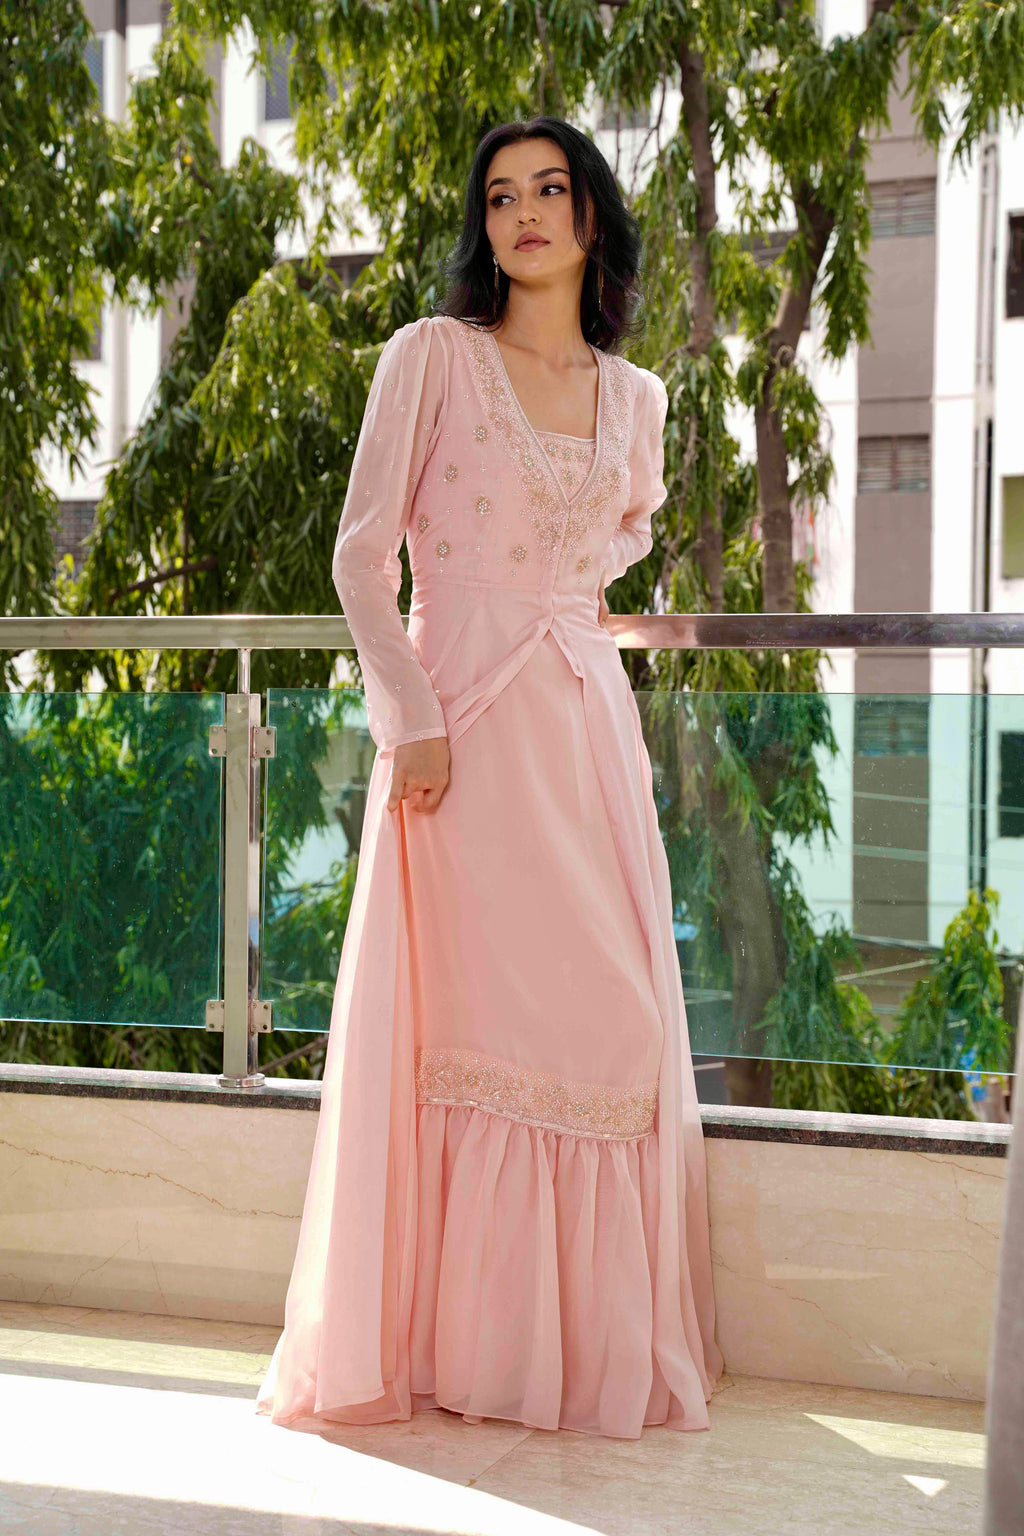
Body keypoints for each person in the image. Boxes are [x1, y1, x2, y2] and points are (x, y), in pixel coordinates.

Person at [256, 115, 724, 1440]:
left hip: (585, 746)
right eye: (501, 195)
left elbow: (601, 568)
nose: (524, 213)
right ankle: (459, 1353)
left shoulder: (637, 401)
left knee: (620, 1027)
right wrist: (409, 716)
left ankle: (574, 1356)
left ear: (590, 216)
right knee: (464, 1039)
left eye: (550, 189)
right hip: (458, 745)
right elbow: (360, 557)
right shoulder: (432, 358)